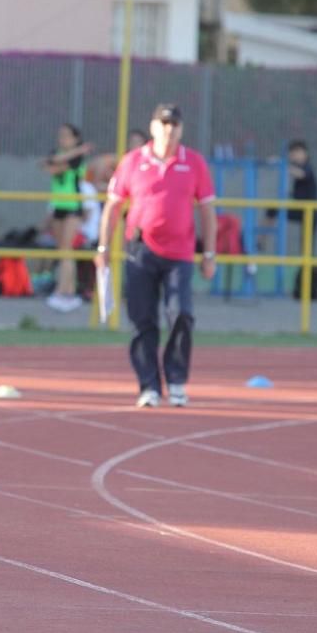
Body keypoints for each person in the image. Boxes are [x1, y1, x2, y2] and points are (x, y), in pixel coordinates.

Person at [94, 103, 217, 409]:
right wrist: (103, 247)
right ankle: (148, 384)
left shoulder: (194, 163)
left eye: (174, 124)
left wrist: (210, 253)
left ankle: (175, 381)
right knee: (142, 319)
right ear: (152, 127)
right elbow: (113, 206)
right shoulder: (133, 161)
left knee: (181, 314)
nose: (168, 129)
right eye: (163, 123)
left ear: (181, 128)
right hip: (140, 251)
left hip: (180, 253)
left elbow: (207, 210)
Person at [42, 123, 91, 312]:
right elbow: (51, 164)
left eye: (67, 136)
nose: (63, 139)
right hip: (58, 206)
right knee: (61, 249)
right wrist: (73, 152)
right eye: (61, 135)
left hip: (72, 206)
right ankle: (65, 289)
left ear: (75, 138)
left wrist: (69, 156)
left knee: (67, 249)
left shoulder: (78, 158)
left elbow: (57, 167)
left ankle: (65, 290)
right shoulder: (68, 153)